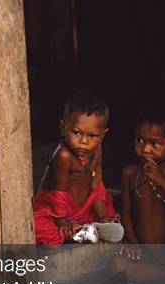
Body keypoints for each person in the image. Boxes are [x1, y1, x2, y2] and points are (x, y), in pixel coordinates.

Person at [34, 91, 117, 245]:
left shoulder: (97, 150)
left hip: (83, 208)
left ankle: (92, 228)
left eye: (92, 136)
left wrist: (102, 216)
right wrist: (63, 223)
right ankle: (76, 235)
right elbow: (59, 195)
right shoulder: (64, 156)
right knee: (39, 229)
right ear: (62, 127)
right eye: (76, 132)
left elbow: (97, 184)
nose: (83, 141)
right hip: (56, 211)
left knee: (108, 207)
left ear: (102, 135)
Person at [108, 105, 165, 281]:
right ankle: (161, 278)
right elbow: (127, 213)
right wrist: (134, 244)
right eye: (140, 140)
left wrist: (161, 181)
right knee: (116, 264)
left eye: (155, 143)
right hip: (141, 253)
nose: (145, 149)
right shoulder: (129, 173)